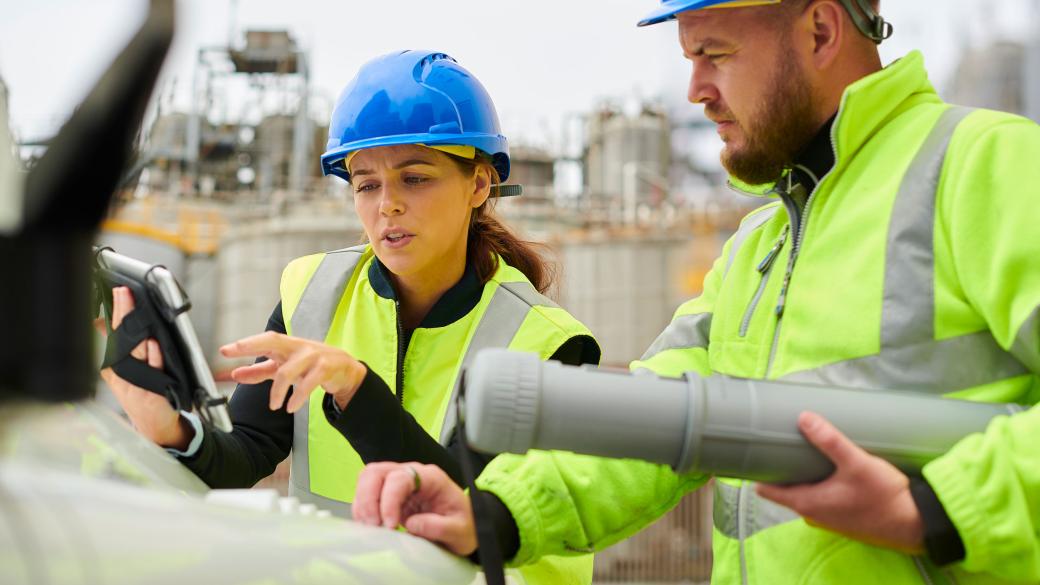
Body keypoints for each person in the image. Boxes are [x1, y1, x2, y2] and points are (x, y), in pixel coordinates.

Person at [352, 2, 1040, 583]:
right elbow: (656, 420)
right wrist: (492, 509)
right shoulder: (760, 245)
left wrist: (938, 506)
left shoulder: (984, 166)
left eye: (714, 53)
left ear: (822, 31)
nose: (696, 89)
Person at [100, 49, 600, 584]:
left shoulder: (548, 345)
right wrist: (171, 429)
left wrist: (356, 390)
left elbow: (467, 513)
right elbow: (244, 452)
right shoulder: (311, 294)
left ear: (479, 185)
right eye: (366, 184)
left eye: (415, 178)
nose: (387, 205)